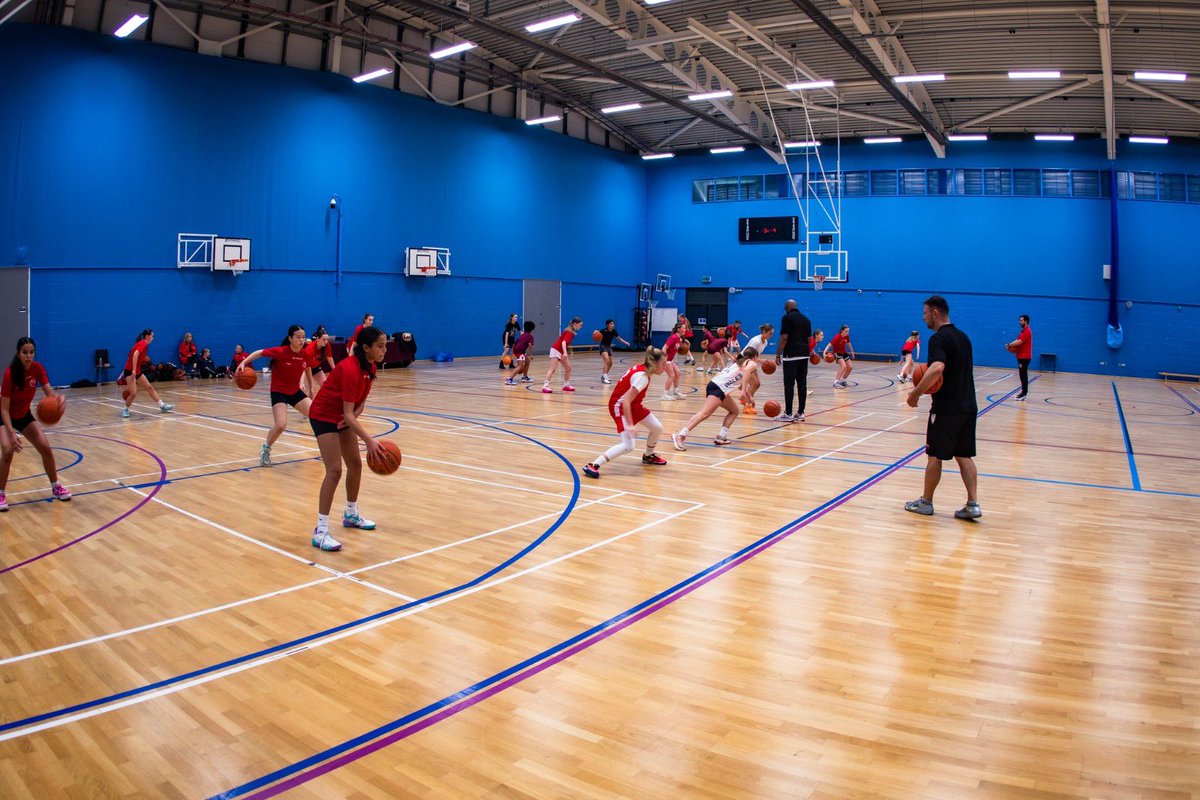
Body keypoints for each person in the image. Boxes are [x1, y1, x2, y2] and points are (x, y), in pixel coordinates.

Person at [306, 325, 389, 551]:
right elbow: (348, 414)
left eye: (385, 346)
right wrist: (369, 440)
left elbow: (358, 406)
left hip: (342, 417)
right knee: (334, 470)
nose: (384, 351)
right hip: (323, 415)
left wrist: (351, 418)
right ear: (365, 347)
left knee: (355, 465)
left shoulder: (370, 368)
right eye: (380, 346)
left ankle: (351, 514)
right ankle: (320, 531)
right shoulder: (350, 369)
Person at [905, 295, 980, 520]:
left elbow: (937, 368)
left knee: (934, 456)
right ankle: (973, 505)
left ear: (935, 313)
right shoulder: (964, 337)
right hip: (968, 405)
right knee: (964, 455)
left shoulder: (938, 339)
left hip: (946, 408)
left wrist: (915, 393)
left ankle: (926, 502)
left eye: (925, 313)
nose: (923, 317)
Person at [1, 337, 71, 511]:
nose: (29, 356)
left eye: (31, 352)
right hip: (4, 415)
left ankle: (56, 487)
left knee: (45, 448)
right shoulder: (10, 374)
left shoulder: (38, 369)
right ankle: (1, 493)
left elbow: (49, 394)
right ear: (18, 354)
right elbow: (4, 410)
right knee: (8, 451)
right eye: (25, 352)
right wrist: (11, 433)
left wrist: (58, 400)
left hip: (23, 415)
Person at [582, 347, 669, 478]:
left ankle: (649, 456)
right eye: (663, 364)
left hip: (633, 404)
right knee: (628, 446)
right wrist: (630, 425)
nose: (665, 367)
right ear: (654, 363)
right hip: (620, 406)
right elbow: (626, 401)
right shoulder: (642, 377)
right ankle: (593, 465)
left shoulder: (642, 369)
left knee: (657, 428)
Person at [238, 325, 314, 468]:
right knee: (281, 425)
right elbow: (259, 352)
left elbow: (308, 367)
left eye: (303, 337)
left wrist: (310, 385)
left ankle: (326, 447)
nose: (302, 340)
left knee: (317, 415)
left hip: (295, 391)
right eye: (298, 337)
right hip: (279, 391)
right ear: (290, 338)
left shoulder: (305, 354)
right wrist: (243, 362)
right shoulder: (281, 352)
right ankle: (265, 449)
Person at [671, 346, 760, 450]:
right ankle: (680, 435)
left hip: (717, 386)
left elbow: (738, 382)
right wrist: (744, 391)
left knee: (734, 411)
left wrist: (748, 396)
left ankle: (721, 437)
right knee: (704, 414)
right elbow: (746, 372)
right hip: (718, 388)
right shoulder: (752, 364)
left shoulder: (739, 363)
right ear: (755, 356)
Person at [119, 329, 175, 418]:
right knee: (133, 393)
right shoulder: (143, 343)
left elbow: (132, 354)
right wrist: (133, 369)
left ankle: (162, 406)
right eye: (152, 336)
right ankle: (125, 410)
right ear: (147, 336)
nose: (153, 338)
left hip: (137, 370)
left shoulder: (142, 344)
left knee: (149, 387)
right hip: (130, 371)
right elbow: (135, 354)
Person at [776, 299, 813, 422]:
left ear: (787, 308)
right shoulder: (806, 320)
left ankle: (788, 413)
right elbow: (809, 339)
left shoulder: (787, 318)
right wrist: (810, 352)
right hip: (804, 355)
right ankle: (801, 412)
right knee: (802, 383)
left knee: (789, 384)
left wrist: (778, 354)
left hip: (792, 354)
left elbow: (784, 337)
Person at [542, 317, 583, 393]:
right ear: (575, 324)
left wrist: (563, 352)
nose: (580, 327)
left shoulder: (570, 331)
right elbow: (563, 342)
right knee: (552, 369)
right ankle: (545, 386)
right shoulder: (570, 332)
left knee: (568, 368)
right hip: (556, 350)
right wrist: (565, 352)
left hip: (560, 351)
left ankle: (566, 385)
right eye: (580, 325)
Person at [740, 323, 774, 414]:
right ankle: (747, 405)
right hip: (743, 360)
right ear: (764, 332)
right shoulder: (756, 341)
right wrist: (760, 360)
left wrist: (758, 360)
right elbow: (747, 355)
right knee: (754, 384)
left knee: (757, 384)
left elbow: (755, 355)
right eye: (770, 333)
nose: (771, 335)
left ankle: (746, 398)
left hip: (751, 361)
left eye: (772, 334)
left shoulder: (765, 342)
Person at [303, 325, 336, 395]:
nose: (326, 342)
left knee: (326, 387)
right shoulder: (310, 349)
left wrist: (335, 370)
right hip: (306, 369)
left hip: (316, 368)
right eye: (323, 340)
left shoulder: (327, 345)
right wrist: (308, 384)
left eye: (327, 339)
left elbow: (330, 358)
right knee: (308, 391)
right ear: (317, 339)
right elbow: (306, 367)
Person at [1007, 315, 1033, 401]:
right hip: (1021, 356)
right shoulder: (1022, 331)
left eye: (1021, 320)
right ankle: (1023, 392)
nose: (1020, 322)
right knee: (1022, 375)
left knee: (1023, 375)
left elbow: (1019, 342)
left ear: (1026, 321)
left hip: (1024, 357)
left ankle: (1024, 393)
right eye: (1019, 320)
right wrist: (1010, 348)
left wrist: (1009, 344)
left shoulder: (1027, 331)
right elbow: (1017, 344)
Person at [506, 321, 536, 385]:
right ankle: (509, 379)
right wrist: (531, 354)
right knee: (520, 366)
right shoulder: (530, 336)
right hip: (520, 351)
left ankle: (524, 377)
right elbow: (530, 344)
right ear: (532, 329)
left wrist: (513, 352)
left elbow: (514, 343)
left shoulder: (522, 335)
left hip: (518, 350)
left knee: (527, 362)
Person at [660, 323, 683, 401]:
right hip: (665, 360)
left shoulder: (680, 338)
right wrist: (664, 359)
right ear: (678, 329)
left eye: (685, 328)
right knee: (672, 375)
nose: (685, 329)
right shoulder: (673, 337)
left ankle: (675, 392)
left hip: (670, 360)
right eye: (683, 328)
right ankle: (665, 394)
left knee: (678, 373)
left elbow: (674, 349)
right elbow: (664, 348)